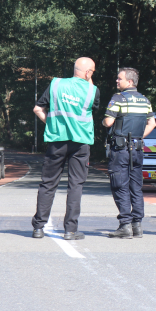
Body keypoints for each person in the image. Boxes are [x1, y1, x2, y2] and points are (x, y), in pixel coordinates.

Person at [31, 57, 100, 240]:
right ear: (88, 73)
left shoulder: (56, 84)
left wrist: (51, 124)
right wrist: (89, 79)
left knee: (48, 183)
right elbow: (93, 106)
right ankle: (70, 230)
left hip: (56, 141)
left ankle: (38, 227)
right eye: (92, 72)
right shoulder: (92, 91)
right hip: (80, 143)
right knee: (75, 185)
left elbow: (38, 109)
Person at [102, 68, 155, 238]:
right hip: (138, 148)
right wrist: (138, 137)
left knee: (120, 186)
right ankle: (137, 225)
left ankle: (125, 224)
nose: (117, 81)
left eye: (119, 79)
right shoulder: (145, 100)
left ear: (130, 82)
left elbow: (108, 122)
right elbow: (152, 123)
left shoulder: (118, 98)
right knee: (136, 187)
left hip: (121, 149)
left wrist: (104, 121)